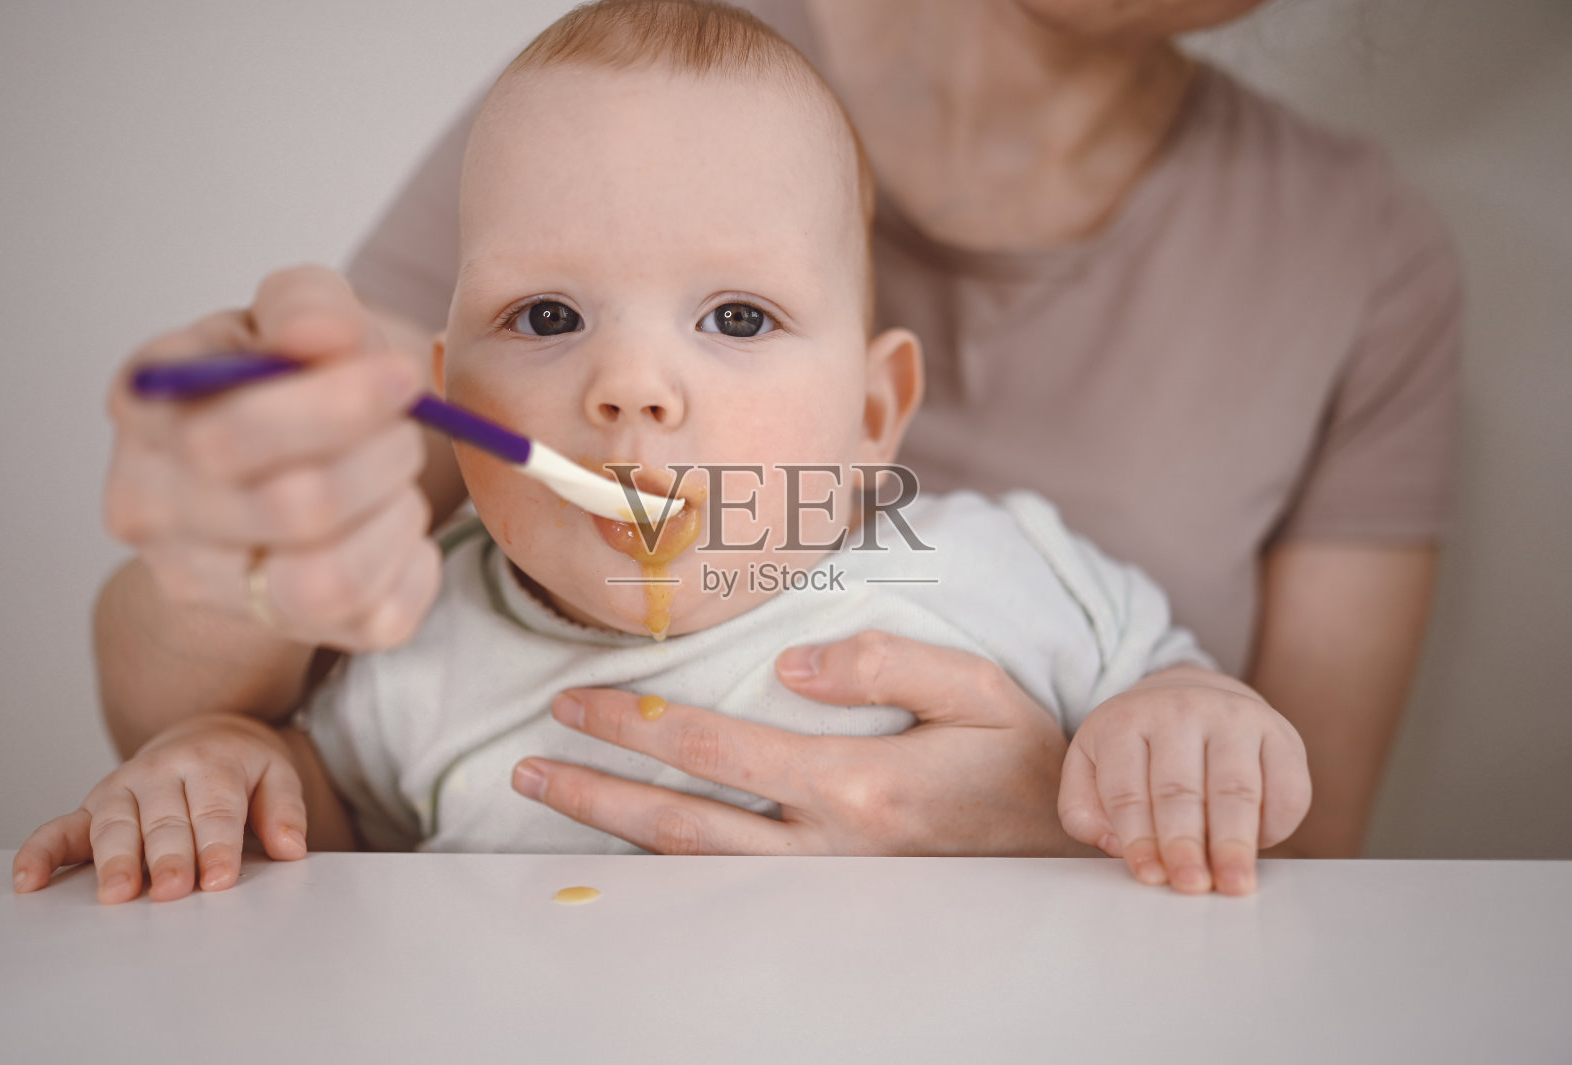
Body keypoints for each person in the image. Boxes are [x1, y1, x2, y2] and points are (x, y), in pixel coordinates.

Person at [84, 0, 1458, 880]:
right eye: (548, 313)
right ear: (451, 389)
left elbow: (1220, 758)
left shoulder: (998, 575)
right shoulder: (419, 652)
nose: (630, 386)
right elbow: (319, 825)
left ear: (875, 414)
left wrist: (1180, 733)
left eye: (736, 315)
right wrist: (232, 763)